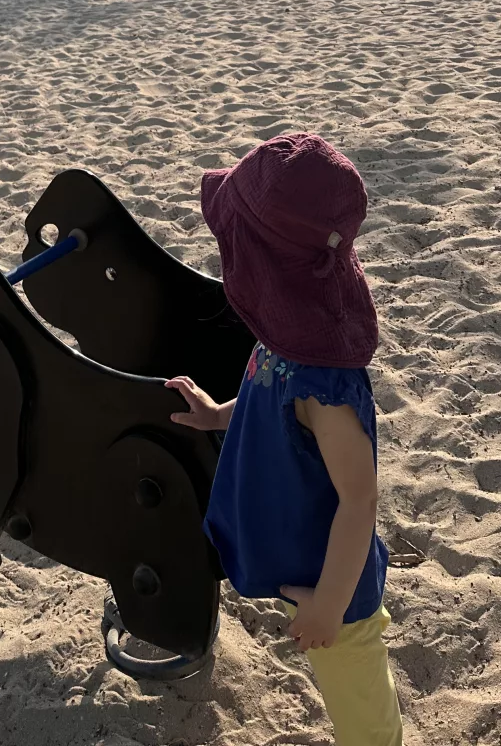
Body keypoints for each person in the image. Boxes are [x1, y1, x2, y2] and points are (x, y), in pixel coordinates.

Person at [167, 132, 403, 746]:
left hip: (335, 588)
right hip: (298, 558)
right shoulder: (287, 332)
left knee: (365, 719)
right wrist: (221, 414)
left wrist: (328, 605)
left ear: (261, 265)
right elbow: (269, 402)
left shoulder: (325, 384)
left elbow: (360, 500)